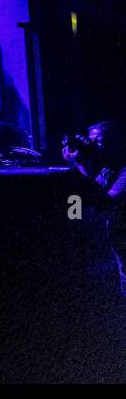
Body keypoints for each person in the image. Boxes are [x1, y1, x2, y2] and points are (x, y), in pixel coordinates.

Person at [62, 121, 126, 297]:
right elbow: (85, 195)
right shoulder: (107, 165)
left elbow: (104, 203)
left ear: (117, 142)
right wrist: (79, 163)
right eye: (91, 141)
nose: (92, 146)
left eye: (98, 141)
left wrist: (79, 164)